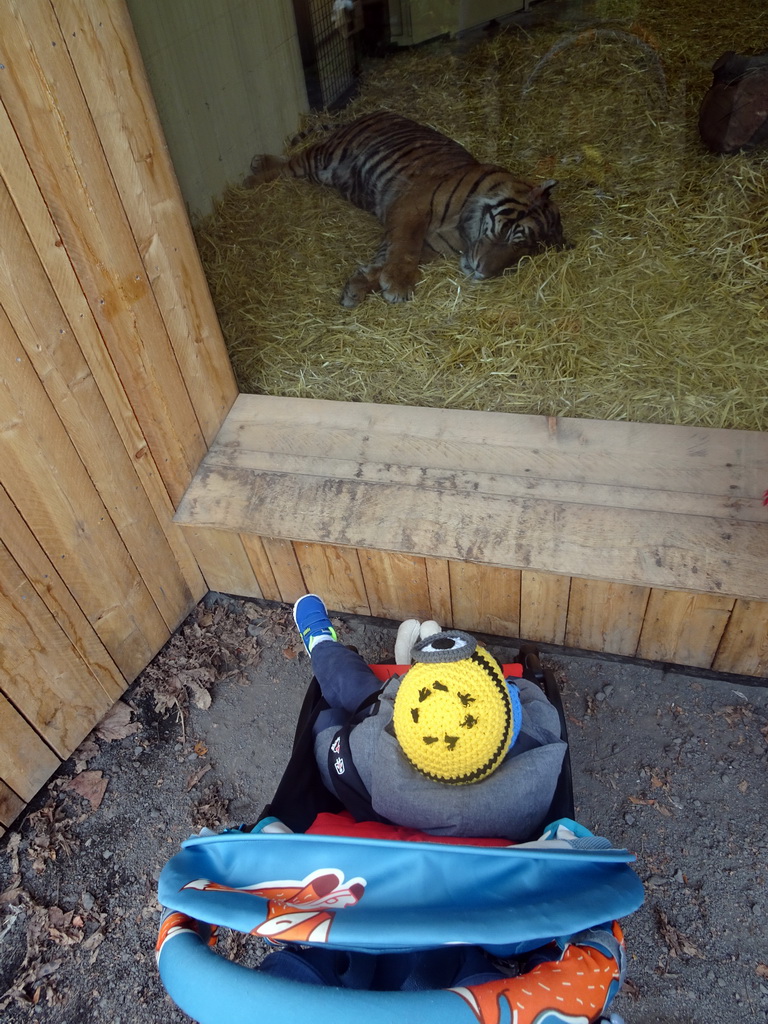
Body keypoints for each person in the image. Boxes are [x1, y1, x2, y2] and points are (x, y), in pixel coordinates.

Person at [293, 594, 567, 841]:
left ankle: (324, 645)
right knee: (480, 686)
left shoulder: (372, 756)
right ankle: (418, 665)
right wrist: (506, 691)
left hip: (393, 733)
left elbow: (329, 750)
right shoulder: (534, 776)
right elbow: (535, 701)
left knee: (353, 687)